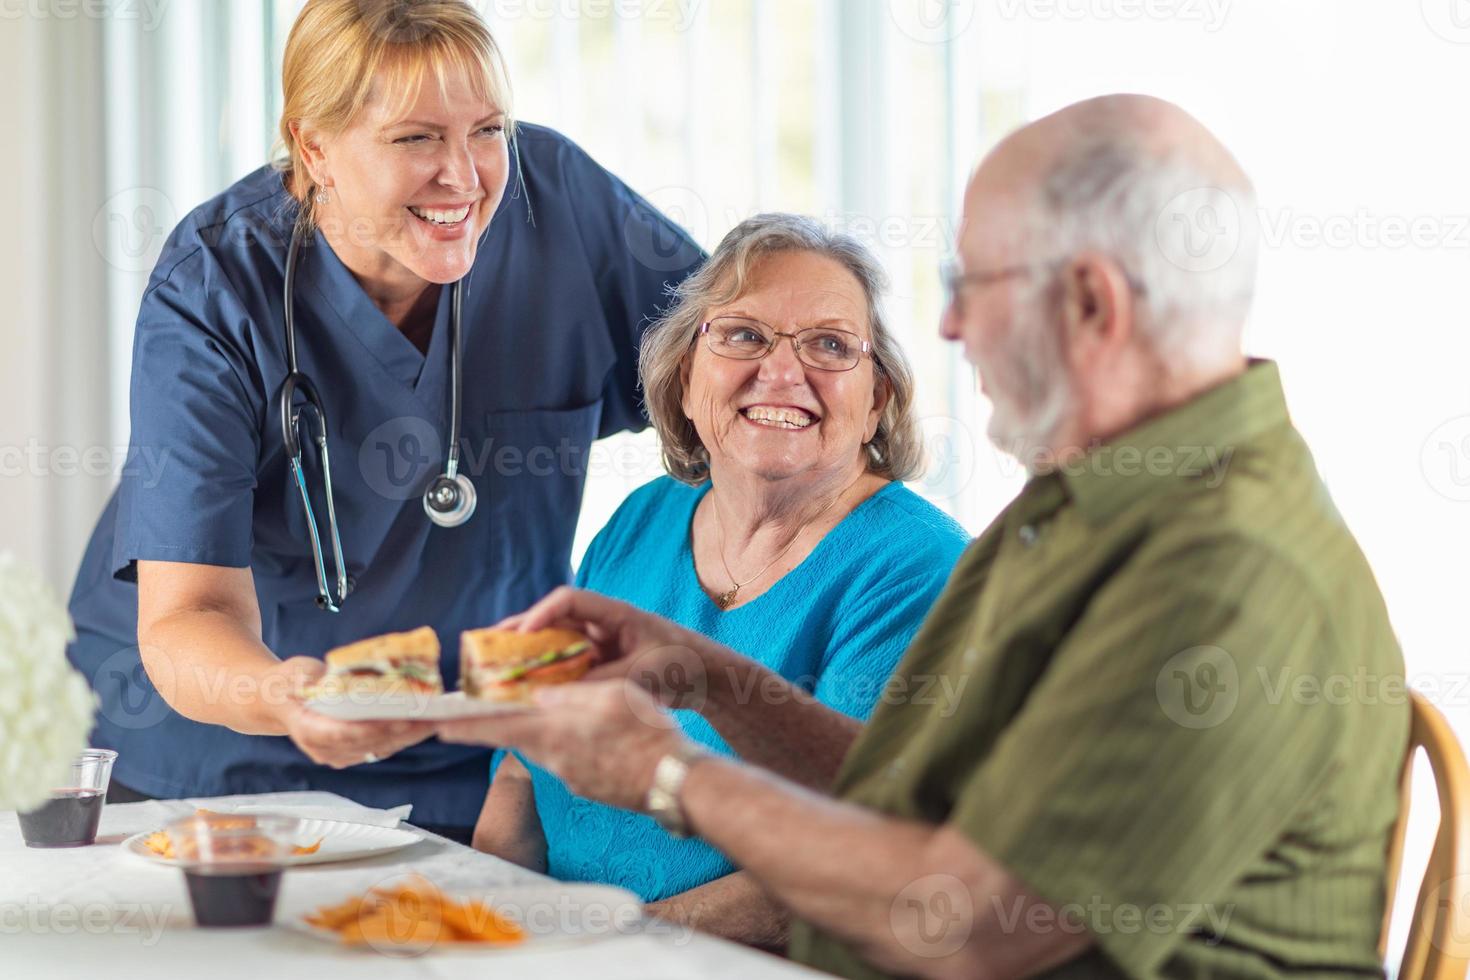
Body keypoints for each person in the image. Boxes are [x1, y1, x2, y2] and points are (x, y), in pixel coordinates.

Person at [438, 94, 1410, 977]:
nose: (947, 326)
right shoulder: (1087, 498)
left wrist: (664, 770)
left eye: (972, 281)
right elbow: (905, 791)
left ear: (1089, 302)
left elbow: (973, 923)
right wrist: (708, 676)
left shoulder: (1224, 569)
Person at [64, 0, 702, 843]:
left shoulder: (562, 207)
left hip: (478, 748)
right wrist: (288, 697)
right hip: (220, 757)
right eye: (415, 139)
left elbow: (733, 370)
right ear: (315, 147)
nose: (466, 177)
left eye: (486, 129)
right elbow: (189, 615)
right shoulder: (215, 285)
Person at [471, 214, 969, 946]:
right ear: (685, 376)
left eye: (829, 346)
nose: (782, 371)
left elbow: (851, 858)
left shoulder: (919, 569)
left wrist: (602, 951)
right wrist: (487, 923)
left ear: (878, 402)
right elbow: (522, 762)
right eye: (744, 335)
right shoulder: (643, 518)